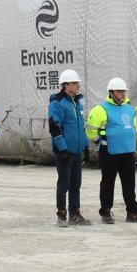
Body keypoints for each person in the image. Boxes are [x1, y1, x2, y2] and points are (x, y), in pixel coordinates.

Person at [87, 77, 137, 223]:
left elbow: (133, 128)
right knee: (108, 183)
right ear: (111, 92)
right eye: (119, 91)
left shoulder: (129, 108)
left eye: (123, 91)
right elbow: (91, 130)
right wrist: (98, 141)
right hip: (109, 152)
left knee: (129, 183)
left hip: (127, 151)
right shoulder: (100, 109)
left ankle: (132, 212)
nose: (122, 94)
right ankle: (106, 212)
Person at [48, 69, 91, 226]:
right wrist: (63, 149)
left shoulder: (77, 103)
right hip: (65, 152)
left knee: (75, 184)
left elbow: (81, 127)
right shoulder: (57, 104)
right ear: (66, 85)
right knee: (64, 183)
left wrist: (85, 147)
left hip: (77, 151)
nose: (78, 86)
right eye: (75, 83)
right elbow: (54, 127)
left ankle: (75, 214)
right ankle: (61, 214)